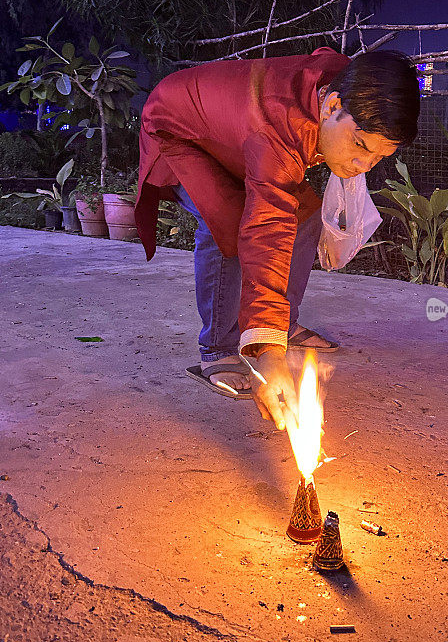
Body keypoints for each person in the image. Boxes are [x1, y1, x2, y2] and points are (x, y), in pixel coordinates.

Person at [135, 47, 420, 430]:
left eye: (377, 157)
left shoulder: (344, 85)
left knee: (304, 217)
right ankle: (218, 347)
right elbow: (265, 231)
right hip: (180, 128)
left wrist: (271, 329)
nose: (361, 167)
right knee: (231, 224)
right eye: (360, 147)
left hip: (238, 136)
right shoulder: (280, 127)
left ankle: (279, 322)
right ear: (332, 104)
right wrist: (267, 356)